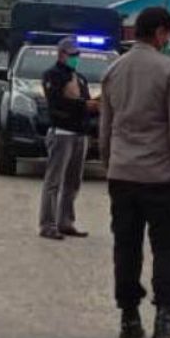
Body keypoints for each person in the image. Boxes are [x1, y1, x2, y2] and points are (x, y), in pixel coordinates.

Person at [99, 7, 170, 338]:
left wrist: (111, 164)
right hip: (161, 176)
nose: (169, 41)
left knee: (126, 247)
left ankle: (129, 319)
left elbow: (105, 130)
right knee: (168, 246)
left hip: (122, 175)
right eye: (168, 34)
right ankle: (164, 322)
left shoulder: (113, 71)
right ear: (159, 33)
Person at [38, 36, 97, 240]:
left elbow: (86, 101)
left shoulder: (79, 78)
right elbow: (56, 104)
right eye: (72, 54)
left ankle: (66, 221)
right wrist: (82, 105)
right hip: (62, 133)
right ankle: (48, 223)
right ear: (61, 54)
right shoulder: (51, 76)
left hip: (80, 134)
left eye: (77, 54)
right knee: (54, 182)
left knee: (73, 182)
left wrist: (92, 107)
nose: (75, 57)